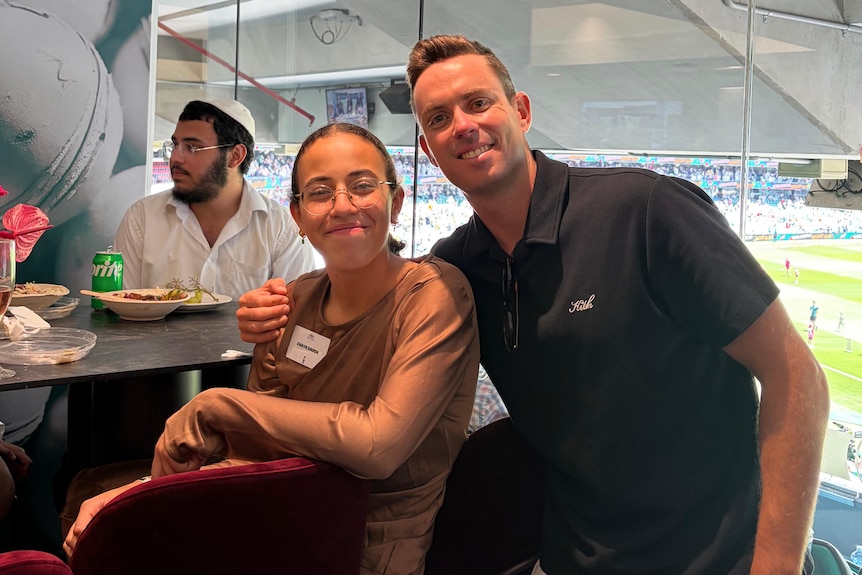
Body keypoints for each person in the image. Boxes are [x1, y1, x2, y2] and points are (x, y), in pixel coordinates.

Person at [236, 35, 829, 575]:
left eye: (478, 103)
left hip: (718, 560)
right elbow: (372, 283)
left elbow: (796, 375)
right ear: (428, 149)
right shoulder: (455, 270)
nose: (462, 126)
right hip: (570, 558)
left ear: (520, 112)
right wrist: (285, 301)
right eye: (439, 118)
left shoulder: (645, 212)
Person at [63, 123, 480, 575]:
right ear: (297, 216)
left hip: (363, 544)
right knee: (90, 500)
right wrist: (144, 490)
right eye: (321, 193)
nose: (343, 206)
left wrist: (218, 405)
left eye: (362, 187)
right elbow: (256, 450)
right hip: (275, 513)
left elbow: (377, 445)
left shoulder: (433, 294)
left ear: (395, 202)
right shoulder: (290, 302)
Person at [114, 99, 315, 298]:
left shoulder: (282, 229)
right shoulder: (142, 218)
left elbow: (296, 314)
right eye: (175, 145)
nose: (175, 158)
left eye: (192, 147)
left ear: (235, 156)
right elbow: (121, 307)